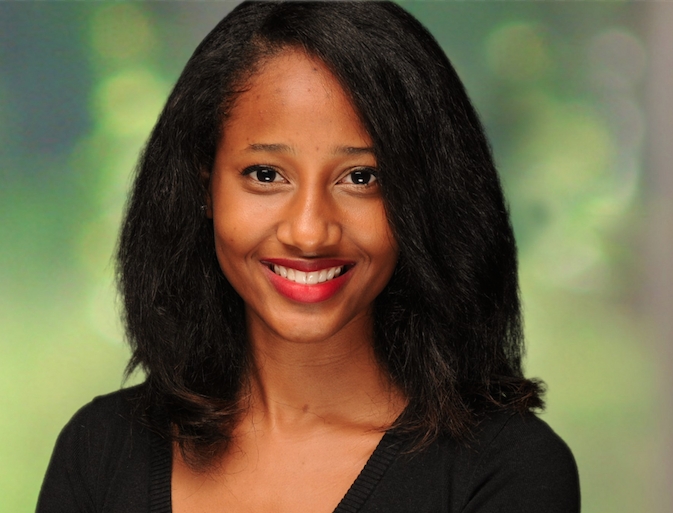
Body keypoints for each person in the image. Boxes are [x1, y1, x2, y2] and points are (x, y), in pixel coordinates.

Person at [37, 2, 580, 512]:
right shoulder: (99, 450)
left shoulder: (508, 469)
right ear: (204, 186)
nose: (309, 232)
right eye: (266, 174)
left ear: (425, 198)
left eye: (361, 178)